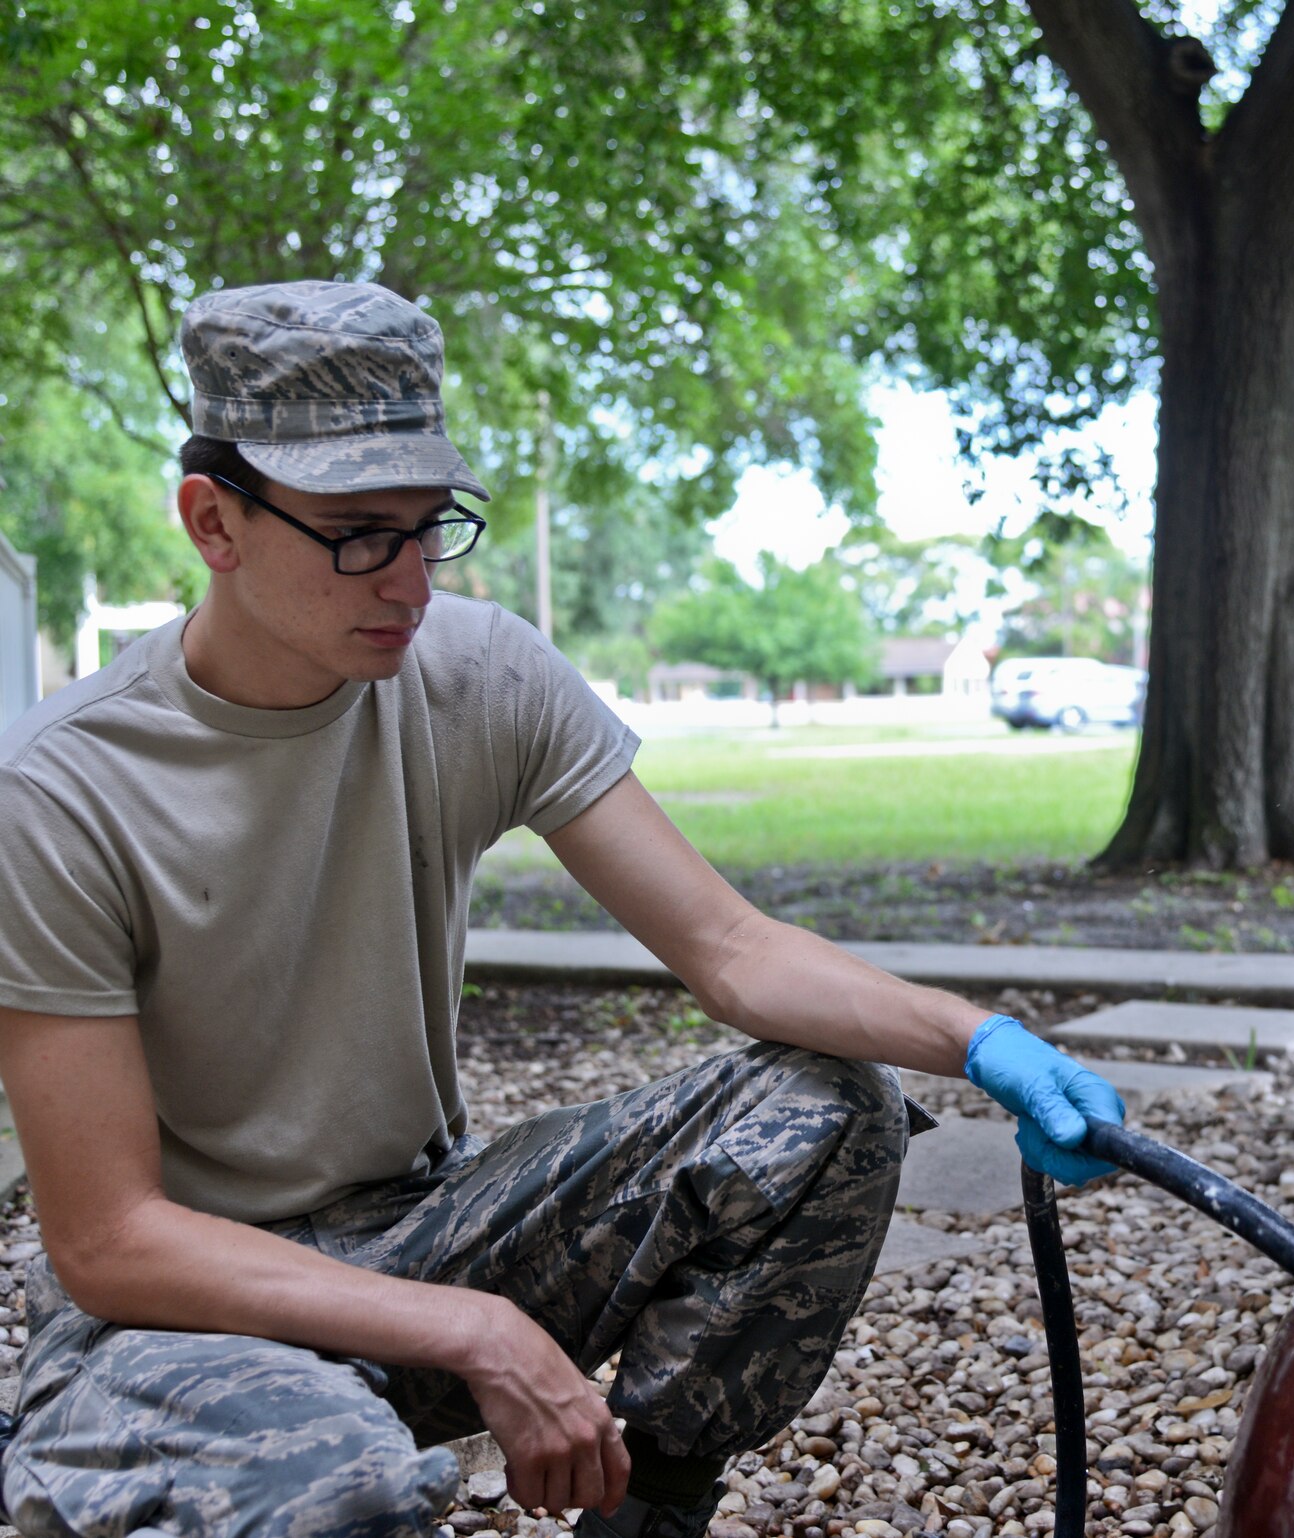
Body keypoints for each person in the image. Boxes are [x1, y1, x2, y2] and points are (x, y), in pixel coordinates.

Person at [0, 280, 1126, 1538]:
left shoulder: (478, 675)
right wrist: (477, 1328)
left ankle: (648, 1512)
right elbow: (108, 1239)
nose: (411, 579)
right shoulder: (61, 789)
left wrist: (981, 1042)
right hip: (178, 1312)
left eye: (434, 525)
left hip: (413, 1221)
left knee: (830, 1103)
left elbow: (732, 948)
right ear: (214, 520)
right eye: (360, 531)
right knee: (332, 1485)